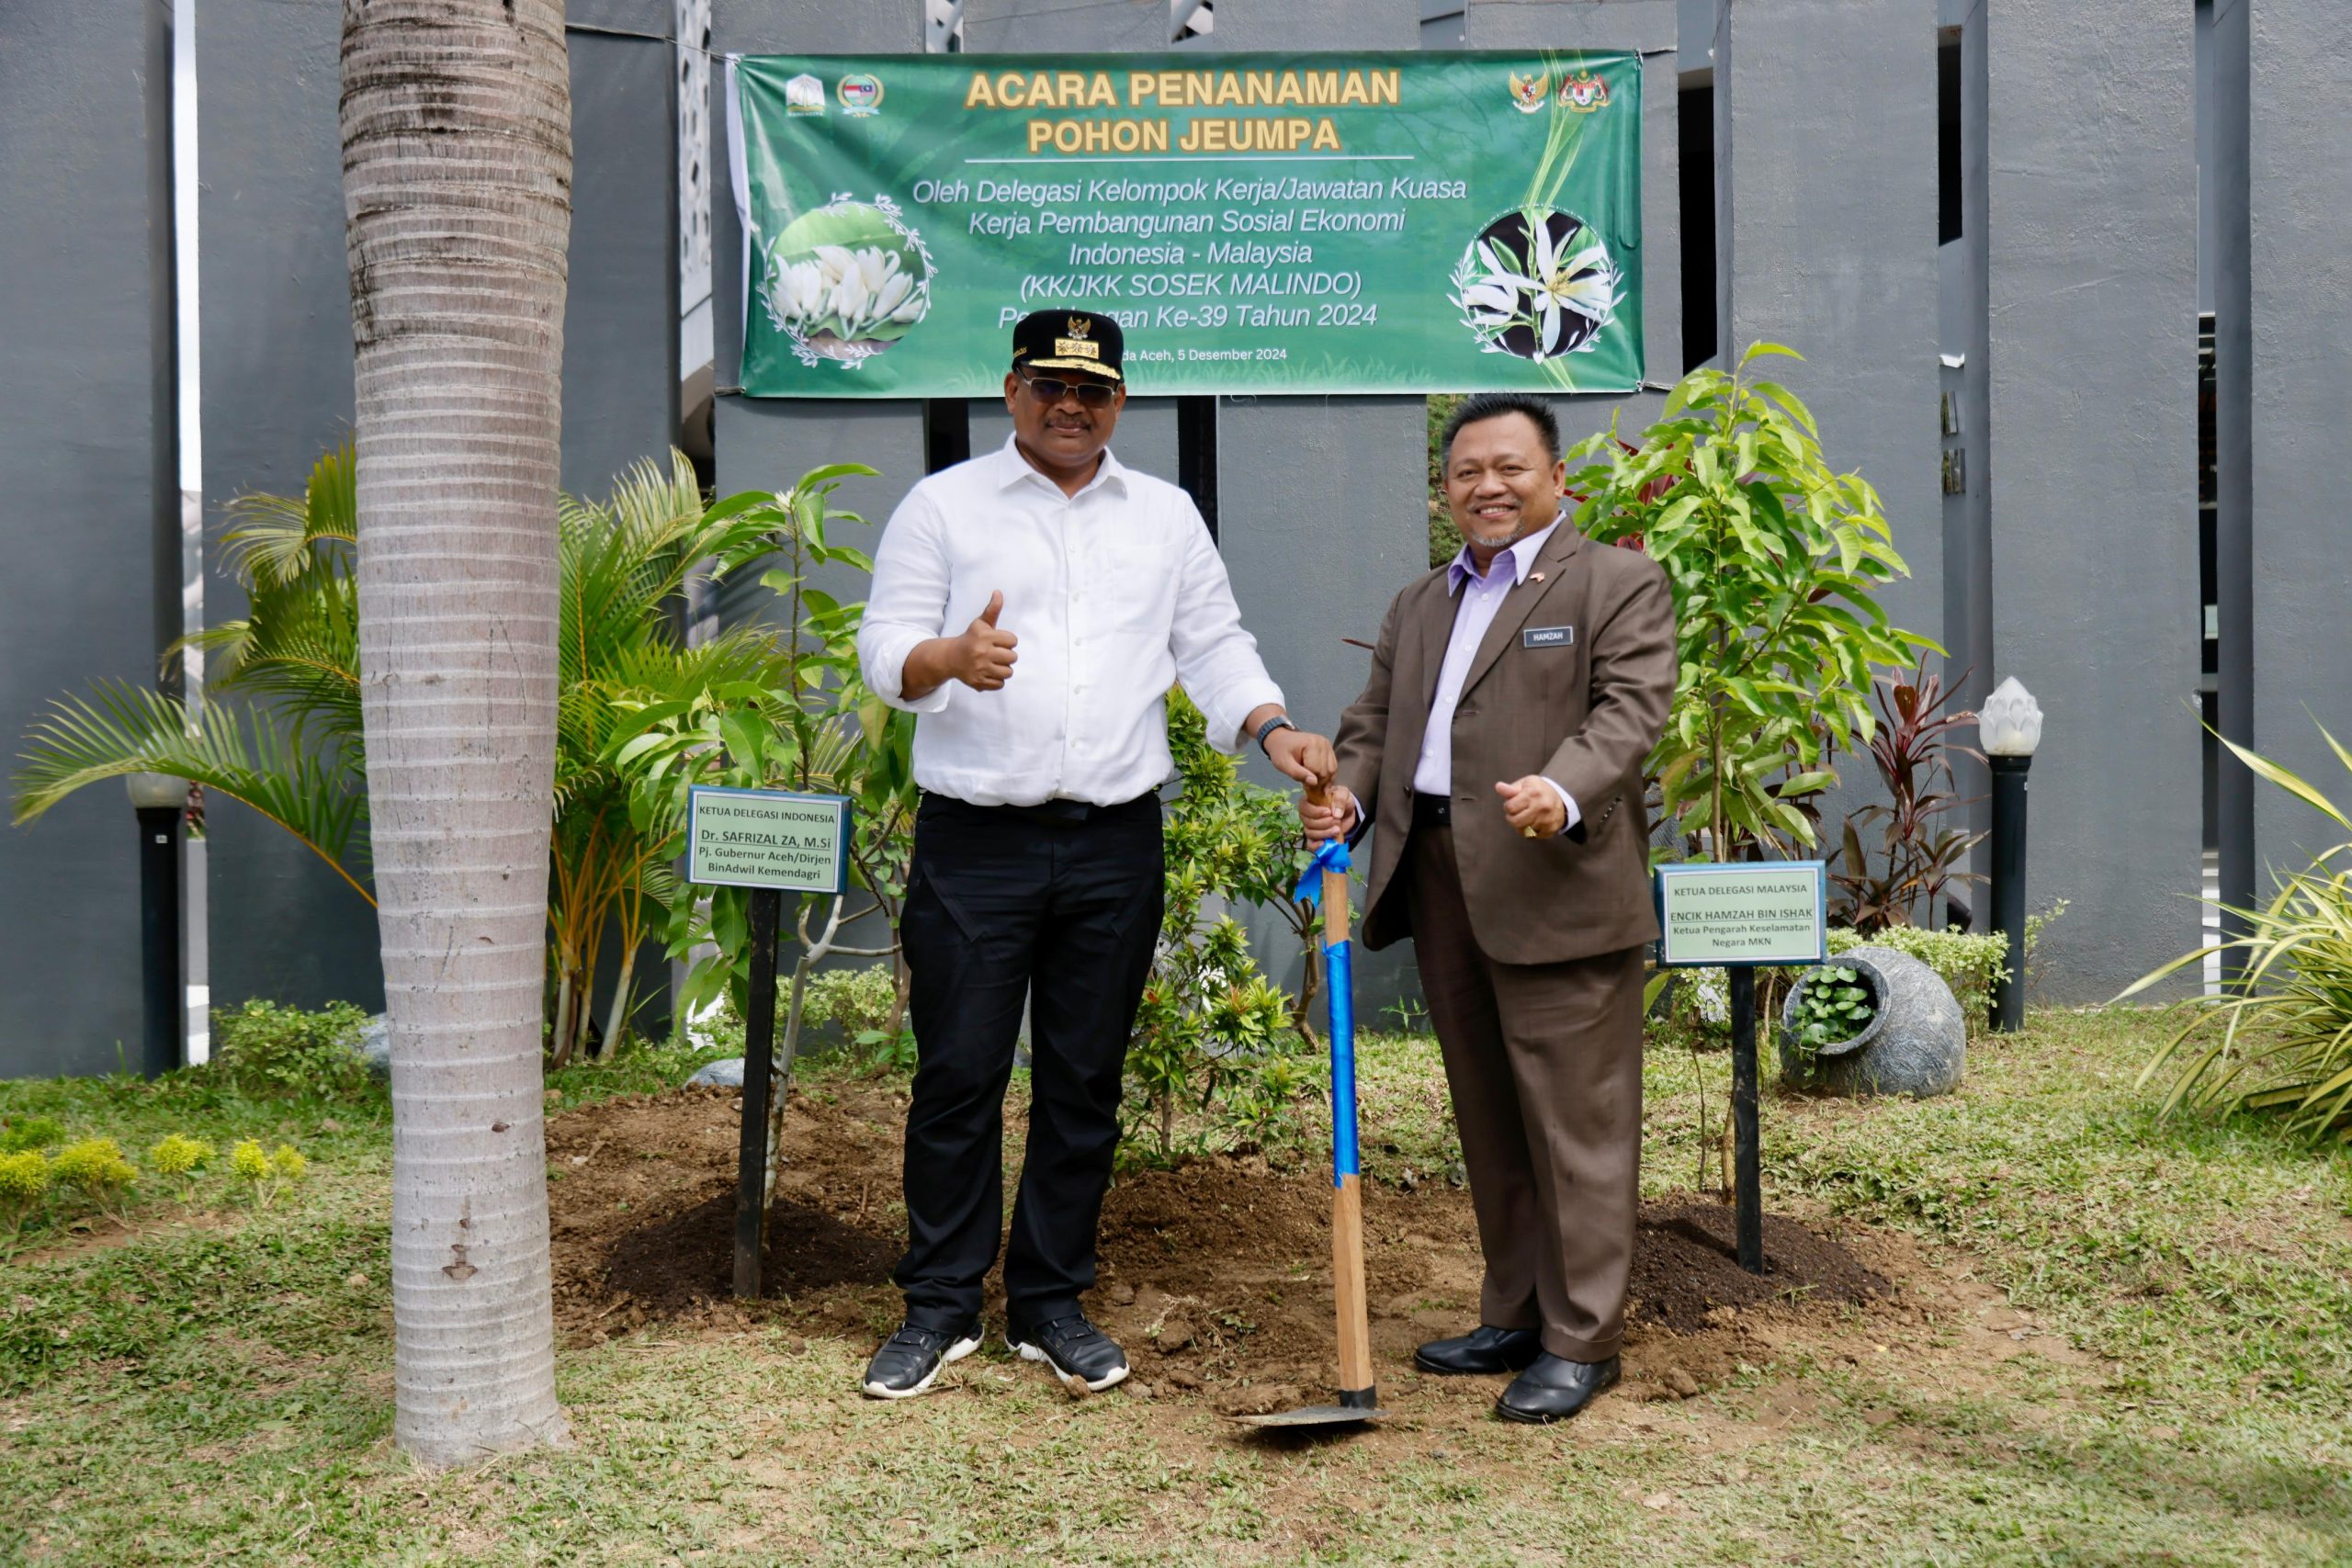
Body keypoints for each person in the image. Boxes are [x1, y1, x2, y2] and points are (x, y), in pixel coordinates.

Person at [854, 309, 1336, 1400]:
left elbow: (1212, 646)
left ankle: (1048, 1301)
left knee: (1083, 1078)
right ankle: (936, 1306)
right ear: (1011, 388)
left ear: (1120, 401)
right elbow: (882, 647)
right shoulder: (943, 506)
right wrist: (948, 655)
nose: (1071, 406)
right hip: (974, 840)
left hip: (1115, 838)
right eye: (1049, 384)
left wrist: (1272, 728)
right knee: (959, 1075)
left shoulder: (1163, 517)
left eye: (1095, 390)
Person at [1301, 391, 1675, 1424]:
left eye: (1509, 467)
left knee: (1576, 1123)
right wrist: (1344, 796)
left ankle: (1582, 1336)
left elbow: (1630, 711)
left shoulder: (1615, 581)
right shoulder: (1420, 604)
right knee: (1490, 1113)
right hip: (1438, 877)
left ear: (1556, 478)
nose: (1487, 487)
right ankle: (1514, 1309)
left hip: (1553, 881)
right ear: (1445, 489)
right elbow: (1374, 727)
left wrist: (1561, 788)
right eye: (1467, 471)